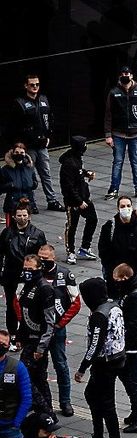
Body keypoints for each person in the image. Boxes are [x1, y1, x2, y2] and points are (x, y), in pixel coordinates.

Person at [75, 277, 126, 438]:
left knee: (106, 403)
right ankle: (98, 437)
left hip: (104, 363)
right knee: (92, 395)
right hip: (116, 358)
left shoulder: (99, 315)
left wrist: (82, 368)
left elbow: (95, 345)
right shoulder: (113, 306)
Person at [10, 75, 62, 211]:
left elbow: (50, 118)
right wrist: (19, 145)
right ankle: (30, 203)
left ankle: (52, 200)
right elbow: (14, 126)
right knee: (28, 176)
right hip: (29, 147)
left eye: (37, 84)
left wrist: (49, 136)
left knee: (46, 174)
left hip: (42, 145)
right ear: (26, 86)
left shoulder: (43, 99)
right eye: (32, 84)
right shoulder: (20, 103)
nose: (35, 87)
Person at [37, 246, 78, 418]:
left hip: (57, 328)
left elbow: (76, 302)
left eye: (46, 258)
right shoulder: (33, 273)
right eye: (40, 258)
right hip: (38, 328)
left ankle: (65, 401)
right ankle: (42, 401)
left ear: (53, 257)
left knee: (60, 364)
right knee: (39, 365)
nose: (43, 261)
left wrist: (60, 324)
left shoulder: (65, 274)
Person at [110, 264, 137, 434]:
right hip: (133, 343)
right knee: (130, 379)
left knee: (136, 381)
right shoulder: (131, 291)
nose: (115, 284)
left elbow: (134, 325)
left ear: (125, 278)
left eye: (117, 281)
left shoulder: (136, 297)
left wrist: (122, 342)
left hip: (136, 346)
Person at [0, 202, 47, 341]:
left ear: (29, 216)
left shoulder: (37, 234)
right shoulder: (7, 233)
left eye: (24, 215)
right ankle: (13, 333)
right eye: (19, 215)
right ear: (14, 216)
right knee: (11, 305)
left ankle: (28, 332)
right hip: (11, 275)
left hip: (30, 276)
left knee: (30, 304)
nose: (22, 218)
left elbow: (41, 256)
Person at [17, 254, 56, 413]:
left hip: (38, 341)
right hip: (28, 338)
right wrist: (20, 335)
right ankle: (46, 410)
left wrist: (41, 347)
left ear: (39, 269)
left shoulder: (44, 288)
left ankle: (44, 408)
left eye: (30, 269)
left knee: (26, 376)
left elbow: (49, 321)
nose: (27, 272)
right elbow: (24, 313)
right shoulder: (27, 284)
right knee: (38, 378)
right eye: (25, 269)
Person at [104, 66, 137, 199]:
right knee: (118, 162)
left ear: (132, 75)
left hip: (136, 133)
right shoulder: (113, 92)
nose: (126, 75)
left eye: (128, 73)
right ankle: (114, 189)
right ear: (120, 76)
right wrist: (108, 135)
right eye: (123, 73)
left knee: (136, 162)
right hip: (118, 133)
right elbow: (108, 115)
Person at [59, 136, 99, 263]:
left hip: (84, 197)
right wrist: (78, 201)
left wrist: (87, 173)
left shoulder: (76, 158)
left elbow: (79, 172)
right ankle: (70, 252)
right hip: (74, 202)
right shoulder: (68, 164)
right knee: (72, 226)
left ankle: (85, 247)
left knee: (92, 219)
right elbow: (68, 186)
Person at [97, 195, 137, 281]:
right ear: (118, 209)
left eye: (128, 206)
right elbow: (104, 250)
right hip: (118, 276)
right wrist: (112, 270)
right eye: (122, 206)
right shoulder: (109, 227)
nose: (126, 208)